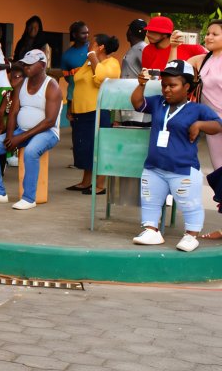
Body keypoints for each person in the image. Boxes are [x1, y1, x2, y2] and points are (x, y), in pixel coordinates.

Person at [129, 60, 222, 251]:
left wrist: (199, 125)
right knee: (149, 200)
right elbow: (137, 103)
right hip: (154, 167)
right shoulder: (157, 102)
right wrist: (141, 84)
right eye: (164, 85)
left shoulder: (197, 109)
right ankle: (151, 230)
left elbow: (218, 125)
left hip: (182, 169)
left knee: (189, 204)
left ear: (187, 87)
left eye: (173, 85)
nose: (167, 90)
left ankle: (191, 235)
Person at [0, 49, 63, 210]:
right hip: (22, 131)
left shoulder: (52, 86)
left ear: (42, 65)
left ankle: (29, 198)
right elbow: (13, 113)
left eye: (30, 64)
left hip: (47, 133)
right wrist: (10, 136)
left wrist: (20, 138)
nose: (26, 67)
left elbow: (50, 121)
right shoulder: (21, 85)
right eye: (25, 64)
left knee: (31, 151)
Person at [67, 34, 121, 194]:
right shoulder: (89, 62)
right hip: (81, 112)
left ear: (100, 47)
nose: (88, 46)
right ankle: (86, 182)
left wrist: (92, 57)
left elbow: (101, 78)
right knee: (85, 148)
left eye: (92, 44)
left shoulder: (112, 63)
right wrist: (70, 107)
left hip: (98, 111)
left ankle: (100, 185)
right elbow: (78, 81)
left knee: (99, 148)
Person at [186, 20, 222, 171]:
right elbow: (175, 70)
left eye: (215, 34)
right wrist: (174, 47)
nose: (209, 37)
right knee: (219, 167)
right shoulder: (202, 59)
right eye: (207, 34)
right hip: (213, 122)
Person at [142, 15, 206, 72]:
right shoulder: (147, 50)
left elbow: (210, 62)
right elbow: (146, 74)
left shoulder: (193, 49)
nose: (147, 34)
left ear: (165, 35)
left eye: (152, 32)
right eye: (148, 31)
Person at [60, 21, 91, 109]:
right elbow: (67, 77)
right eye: (83, 33)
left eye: (87, 33)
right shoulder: (66, 55)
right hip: (74, 96)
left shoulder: (92, 48)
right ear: (74, 35)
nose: (86, 35)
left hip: (92, 96)